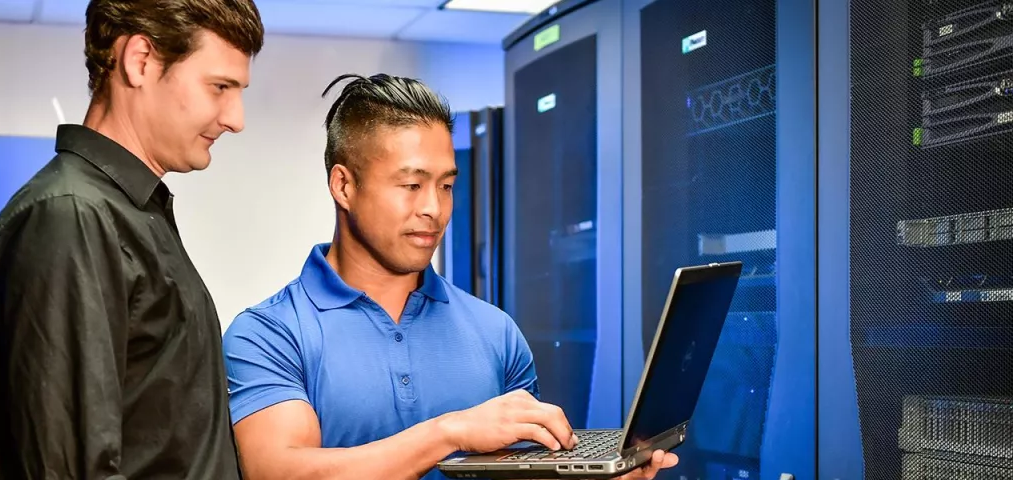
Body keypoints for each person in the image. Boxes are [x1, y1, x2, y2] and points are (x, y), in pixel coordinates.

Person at [221, 73, 679, 480]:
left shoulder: (495, 332)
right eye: (411, 185)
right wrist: (449, 432)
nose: (434, 210)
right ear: (344, 186)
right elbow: (279, 471)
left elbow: (522, 474)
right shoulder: (269, 335)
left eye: (446, 185)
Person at [0, 1, 263, 478]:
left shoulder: (132, 213)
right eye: (220, 87)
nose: (236, 118)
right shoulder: (72, 217)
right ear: (140, 60)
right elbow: (68, 468)